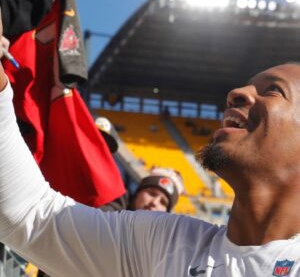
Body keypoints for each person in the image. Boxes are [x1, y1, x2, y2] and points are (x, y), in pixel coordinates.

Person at [1, 16, 300, 275]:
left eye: (274, 90)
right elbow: (30, 216)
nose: (237, 92)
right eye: (247, 85)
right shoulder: (165, 243)